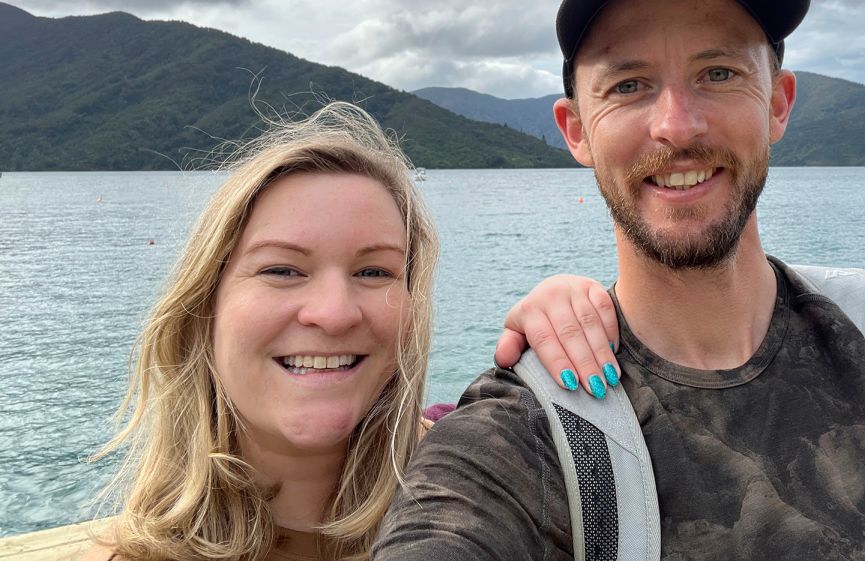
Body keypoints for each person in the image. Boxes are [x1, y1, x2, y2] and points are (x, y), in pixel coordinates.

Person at [374, 0, 865, 560]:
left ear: (779, 103)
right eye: (629, 85)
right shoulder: (523, 435)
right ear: (575, 129)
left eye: (720, 72)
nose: (678, 125)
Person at [84, 102, 619, 561]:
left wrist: (592, 319)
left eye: (374, 272)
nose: (335, 313)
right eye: (282, 270)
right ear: (204, 308)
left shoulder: (490, 477)